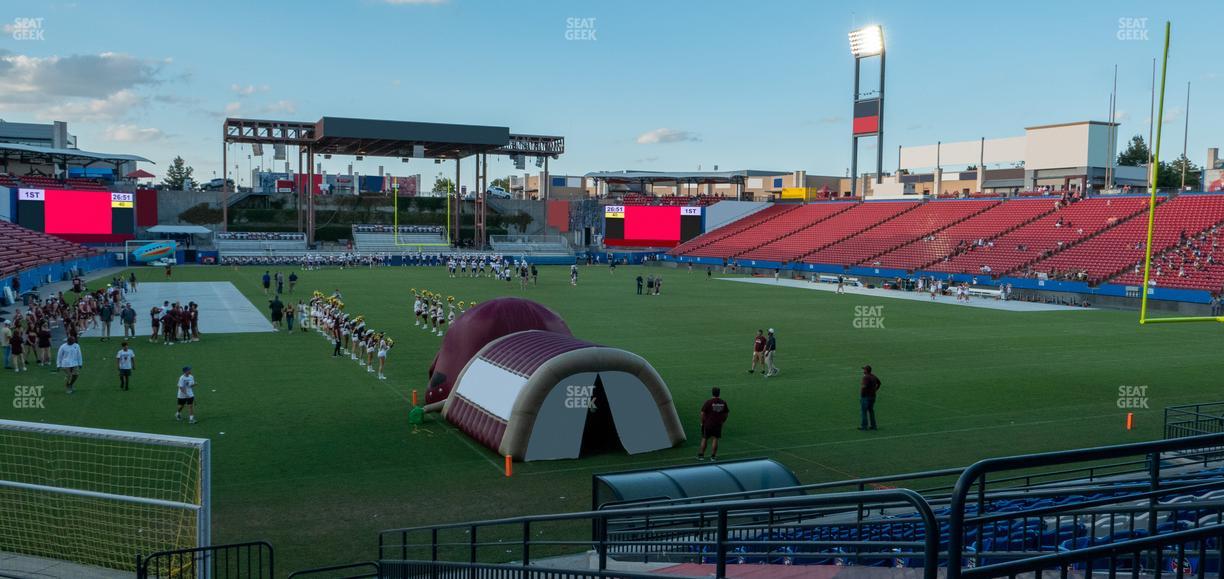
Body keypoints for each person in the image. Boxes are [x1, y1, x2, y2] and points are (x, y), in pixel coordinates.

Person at [697, 387, 730, 461]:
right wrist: (723, 421)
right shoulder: (723, 402)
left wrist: (702, 422)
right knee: (715, 439)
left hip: (708, 424)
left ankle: (701, 455)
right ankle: (713, 456)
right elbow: (726, 413)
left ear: (712, 393)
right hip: (718, 424)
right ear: (719, 393)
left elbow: (702, 413)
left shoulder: (708, 402)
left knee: (705, 438)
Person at [859, 365, 882, 431]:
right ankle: (873, 426)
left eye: (864, 370)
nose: (863, 371)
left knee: (864, 412)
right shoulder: (873, 376)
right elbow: (879, 383)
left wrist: (862, 395)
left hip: (866, 397)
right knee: (871, 411)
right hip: (873, 397)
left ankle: (864, 427)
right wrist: (875, 390)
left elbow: (864, 387)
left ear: (866, 370)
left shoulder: (866, 377)